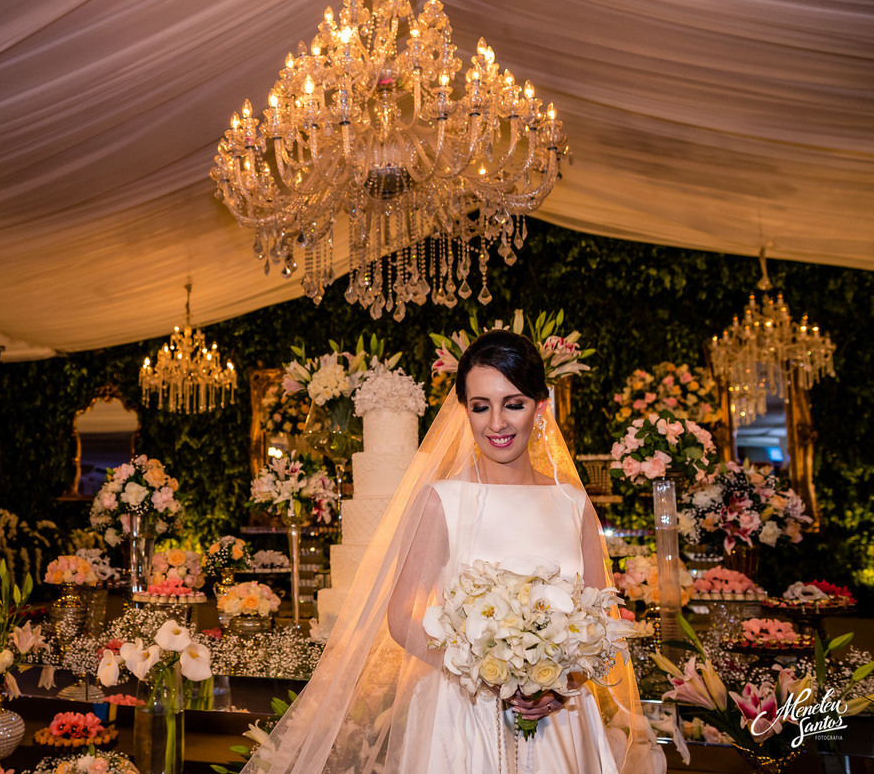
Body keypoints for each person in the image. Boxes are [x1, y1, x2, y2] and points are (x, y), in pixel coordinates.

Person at [244, 330, 663, 774]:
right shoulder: (443, 500)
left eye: (513, 404)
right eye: (480, 406)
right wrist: (489, 669)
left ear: (540, 408)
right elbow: (403, 615)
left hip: (558, 716)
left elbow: (601, 620)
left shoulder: (572, 504)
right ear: (465, 410)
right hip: (464, 717)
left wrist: (563, 681)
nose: (496, 423)